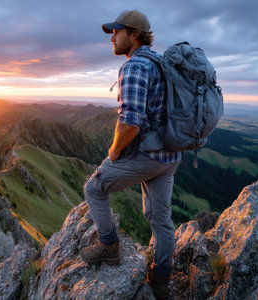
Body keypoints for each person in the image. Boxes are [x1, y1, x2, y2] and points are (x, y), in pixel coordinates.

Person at [79, 9, 181, 299]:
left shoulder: (135, 67)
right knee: (160, 219)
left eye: (117, 31)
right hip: (170, 157)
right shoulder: (160, 63)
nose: (112, 37)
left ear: (134, 34)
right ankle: (160, 280)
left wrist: (114, 151)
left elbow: (130, 121)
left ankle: (109, 247)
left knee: (94, 188)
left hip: (146, 155)